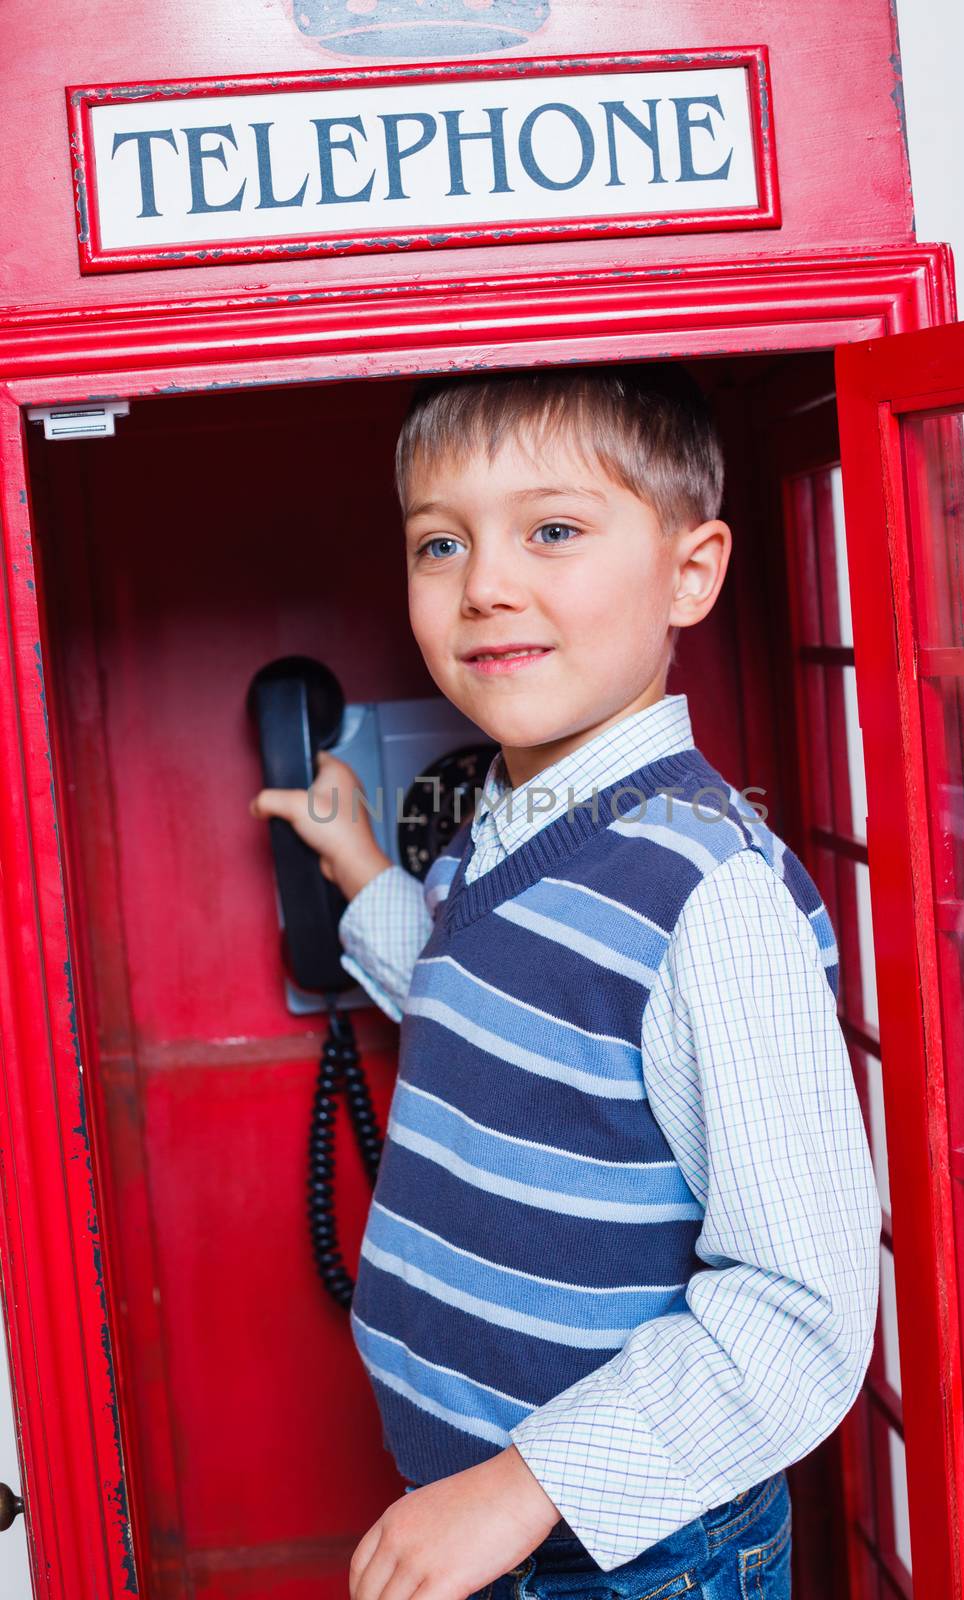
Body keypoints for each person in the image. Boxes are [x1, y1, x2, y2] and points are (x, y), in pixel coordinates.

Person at [249, 362, 882, 1600]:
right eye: (441, 542)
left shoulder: (707, 892)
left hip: (627, 1548)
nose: (485, 583)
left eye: (551, 530)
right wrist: (360, 859)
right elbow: (477, 994)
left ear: (688, 572)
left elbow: (800, 1312)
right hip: (488, 1511)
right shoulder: (510, 820)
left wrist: (522, 1484)